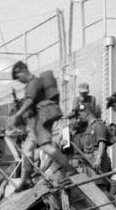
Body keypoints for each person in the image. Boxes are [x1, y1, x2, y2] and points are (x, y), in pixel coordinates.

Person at [10, 60, 75, 188]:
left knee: (47, 147)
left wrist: (16, 115)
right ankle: (27, 180)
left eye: (18, 77)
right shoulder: (33, 83)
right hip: (36, 122)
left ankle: (70, 169)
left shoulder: (32, 83)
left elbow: (29, 101)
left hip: (40, 120)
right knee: (27, 150)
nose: (19, 80)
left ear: (22, 71)